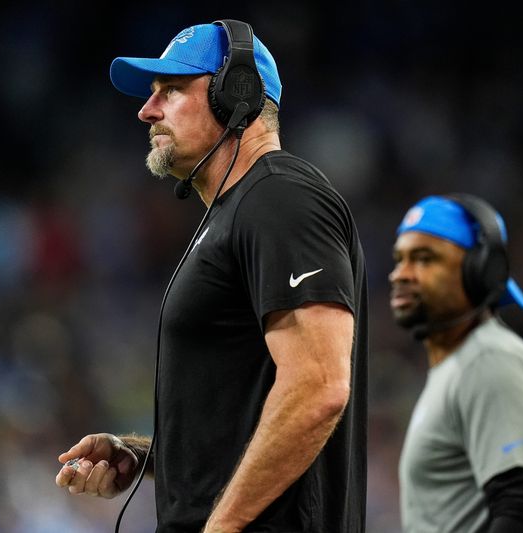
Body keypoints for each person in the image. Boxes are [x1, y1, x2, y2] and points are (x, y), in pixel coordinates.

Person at [55, 20, 368, 532]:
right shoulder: (240, 212)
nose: (146, 110)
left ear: (236, 93)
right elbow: (243, 416)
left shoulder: (281, 199)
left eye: (171, 90)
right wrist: (144, 456)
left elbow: (318, 388)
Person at [389, 194, 523, 532]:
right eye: (399, 259)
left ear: (481, 271)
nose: (400, 274)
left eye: (424, 259)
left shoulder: (491, 362)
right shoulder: (458, 366)